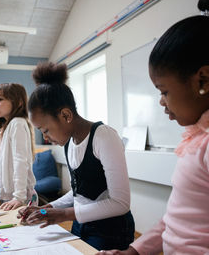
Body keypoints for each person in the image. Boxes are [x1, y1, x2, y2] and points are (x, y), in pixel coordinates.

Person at [97, 0, 209, 254]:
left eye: (164, 91)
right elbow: (174, 220)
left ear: (203, 81)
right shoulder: (202, 138)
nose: (161, 102)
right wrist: (135, 251)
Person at [18, 62, 135, 251]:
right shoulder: (69, 141)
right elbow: (80, 192)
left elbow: (120, 203)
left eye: (45, 130)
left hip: (111, 229)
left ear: (65, 115)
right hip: (81, 222)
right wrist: (46, 208)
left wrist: (64, 214)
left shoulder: (104, 136)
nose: (46, 138)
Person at [0, 83, 37, 211]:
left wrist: (19, 196)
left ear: (19, 102)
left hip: (21, 196)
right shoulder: (5, 127)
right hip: (14, 195)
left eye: (0, 99)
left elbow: (20, 161)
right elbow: (5, 163)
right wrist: (3, 186)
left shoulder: (17, 123)